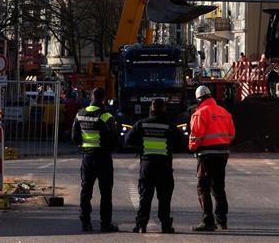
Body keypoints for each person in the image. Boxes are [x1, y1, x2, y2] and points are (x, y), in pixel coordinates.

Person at [126, 98, 186, 233]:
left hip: (147, 165)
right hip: (164, 166)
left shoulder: (141, 124)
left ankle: (141, 225)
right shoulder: (170, 126)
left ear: (151, 108)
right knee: (164, 197)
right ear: (164, 108)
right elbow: (182, 143)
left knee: (145, 196)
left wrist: (141, 143)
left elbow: (128, 140)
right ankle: (165, 225)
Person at [188, 85, 235, 232]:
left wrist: (192, 147)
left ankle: (208, 221)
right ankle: (222, 221)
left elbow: (195, 137)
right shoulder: (224, 112)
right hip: (222, 153)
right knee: (219, 188)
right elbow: (231, 135)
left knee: (203, 187)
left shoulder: (199, 113)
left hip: (206, 155)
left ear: (198, 99)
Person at [71, 87, 119, 232]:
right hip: (103, 158)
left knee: (86, 191)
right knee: (105, 193)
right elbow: (114, 139)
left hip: (87, 157)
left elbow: (75, 137)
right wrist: (107, 149)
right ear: (103, 99)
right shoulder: (106, 116)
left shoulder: (80, 114)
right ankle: (105, 224)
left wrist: (83, 146)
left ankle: (85, 222)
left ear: (91, 97)